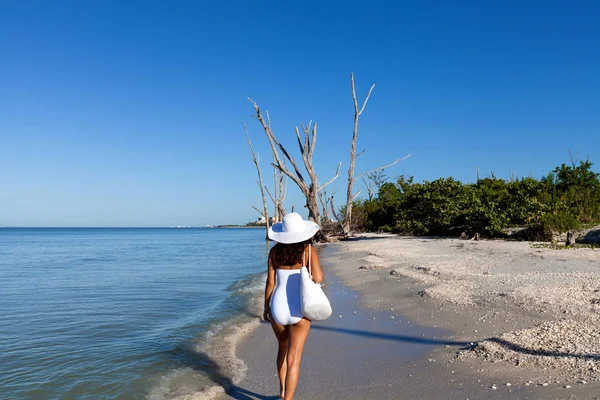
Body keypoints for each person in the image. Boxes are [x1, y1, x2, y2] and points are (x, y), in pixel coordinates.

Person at [263, 212, 323, 400]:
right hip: (301, 308)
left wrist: (266, 307)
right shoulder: (308, 250)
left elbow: (270, 283)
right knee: (294, 359)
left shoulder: (274, 252)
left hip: (277, 308)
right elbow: (319, 277)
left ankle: (282, 392)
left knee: (282, 349)